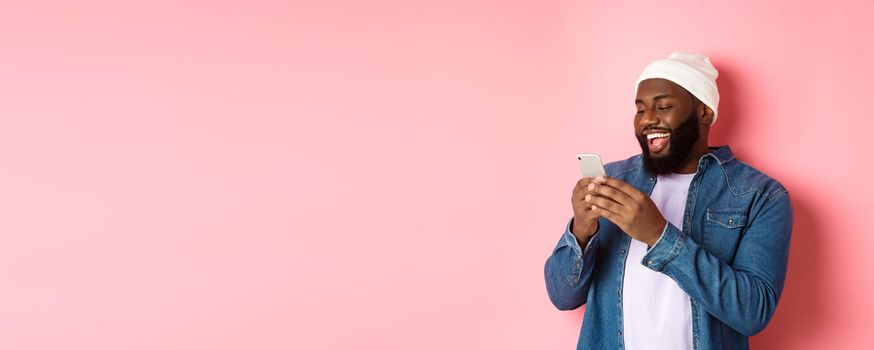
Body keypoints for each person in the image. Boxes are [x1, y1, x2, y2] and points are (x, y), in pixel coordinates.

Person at [543, 52, 792, 350]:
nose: (648, 119)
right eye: (640, 109)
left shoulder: (762, 196)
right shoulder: (613, 180)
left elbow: (754, 312)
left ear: (704, 112)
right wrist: (582, 230)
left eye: (664, 106)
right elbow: (562, 295)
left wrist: (659, 236)